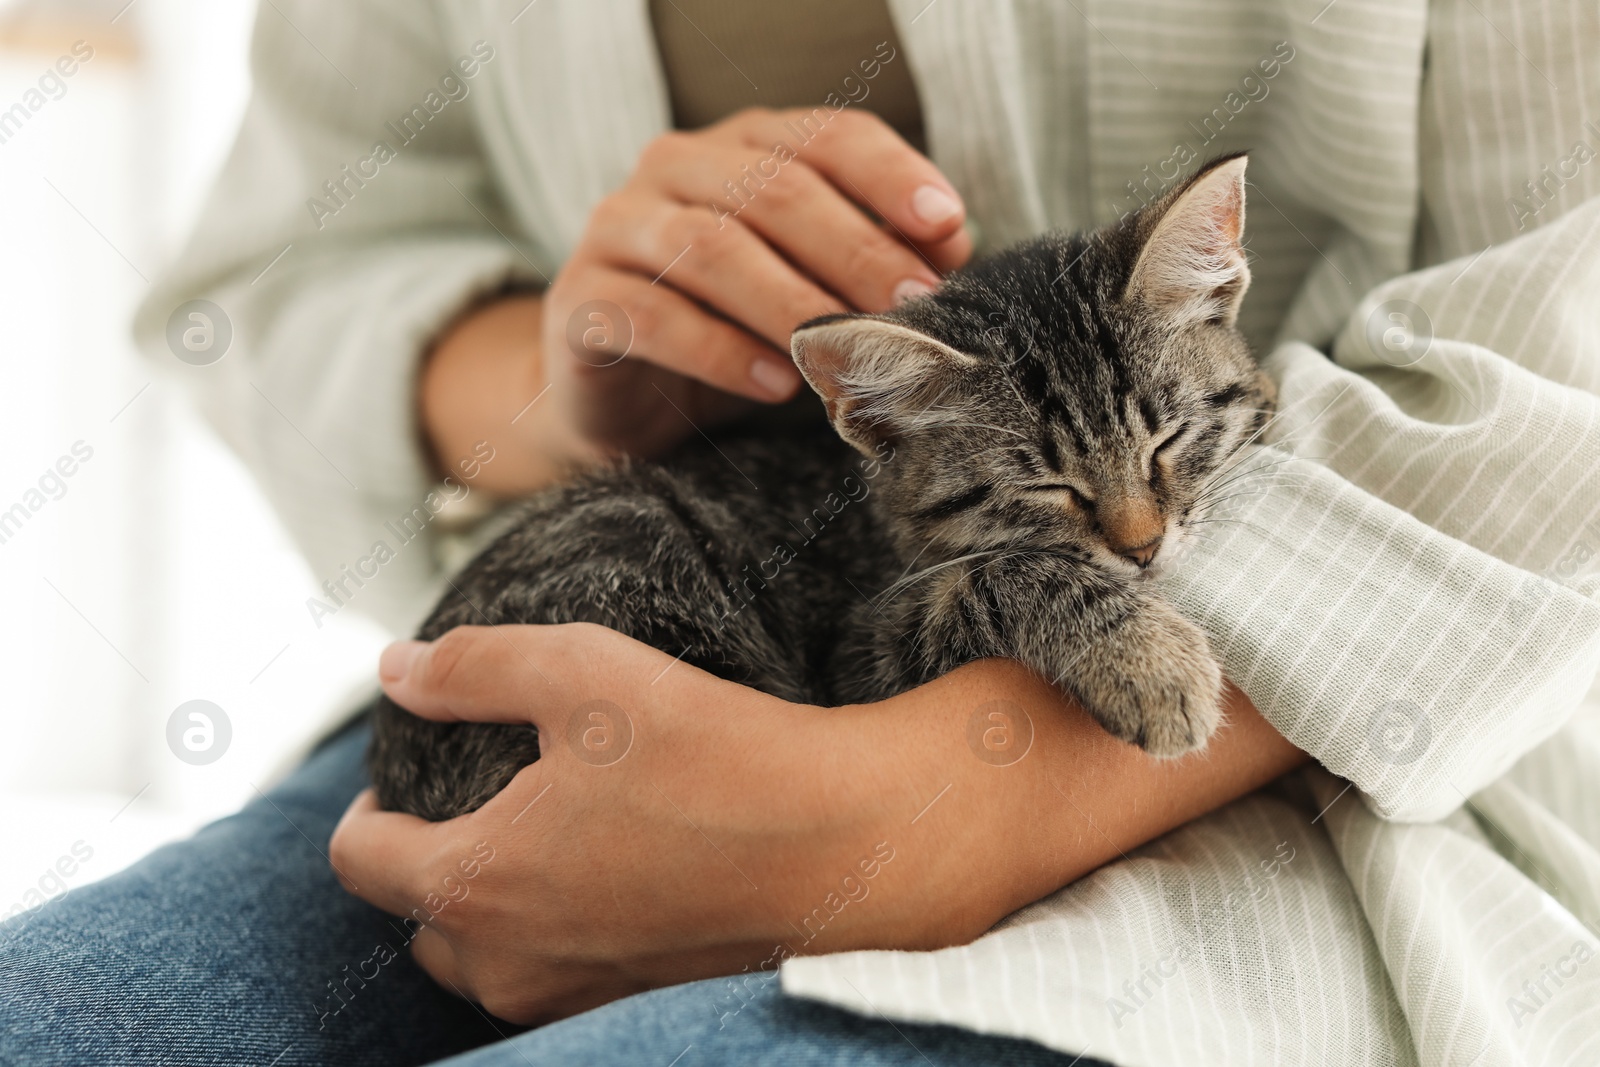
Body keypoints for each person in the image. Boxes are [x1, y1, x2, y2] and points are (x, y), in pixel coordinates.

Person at [5, 1, 1600, 1065]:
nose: (1133, 529)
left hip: (1340, 777)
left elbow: (1555, 345)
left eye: (1165, 458)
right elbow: (279, 278)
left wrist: (913, 826)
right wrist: (559, 388)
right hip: (578, 695)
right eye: (1067, 504)